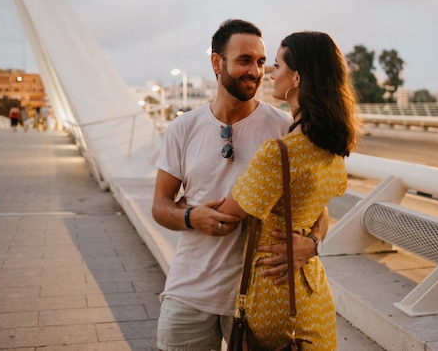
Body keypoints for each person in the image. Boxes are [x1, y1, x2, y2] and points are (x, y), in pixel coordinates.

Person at [152, 19, 328, 351]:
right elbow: (160, 206)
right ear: (217, 62)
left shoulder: (284, 129)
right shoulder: (183, 129)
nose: (256, 71)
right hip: (190, 291)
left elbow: (317, 210)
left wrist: (314, 243)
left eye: (262, 62)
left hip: (260, 297)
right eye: (244, 60)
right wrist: (193, 218)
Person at [214, 31, 359, 349]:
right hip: (314, 294)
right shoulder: (328, 146)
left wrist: (184, 207)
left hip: (277, 294)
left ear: (295, 77)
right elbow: (317, 209)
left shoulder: (280, 152)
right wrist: (313, 242)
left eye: (276, 65)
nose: (270, 73)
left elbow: (226, 215)